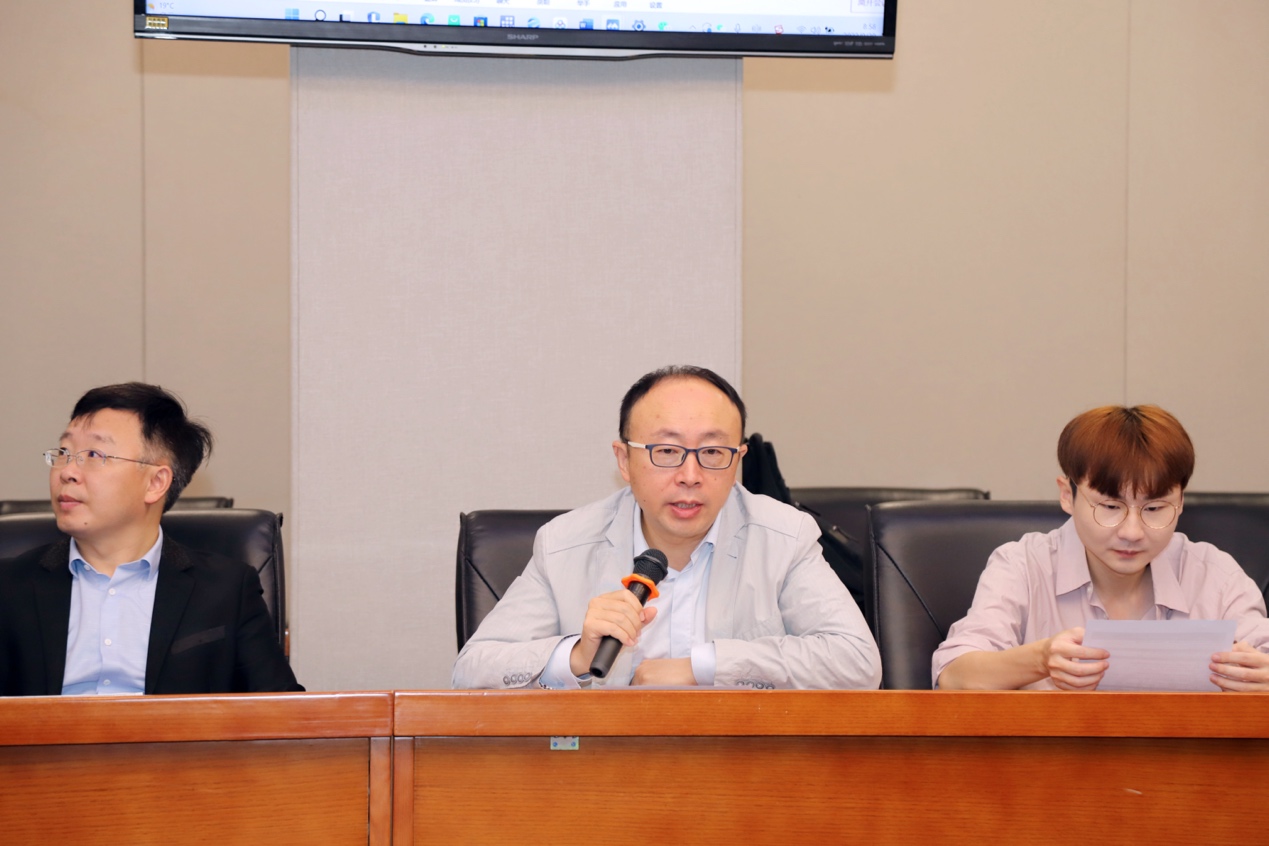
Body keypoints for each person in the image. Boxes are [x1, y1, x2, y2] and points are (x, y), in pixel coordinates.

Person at [452, 365, 881, 690]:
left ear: (738, 461)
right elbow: (472, 671)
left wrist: (702, 667)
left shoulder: (784, 537)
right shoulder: (565, 544)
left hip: (742, 765)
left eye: (713, 452)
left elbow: (858, 663)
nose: (690, 476)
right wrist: (577, 656)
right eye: (667, 451)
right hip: (609, 766)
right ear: (624, 460)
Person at [934, 405, 1269, 692]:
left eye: (1154, 508)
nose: (1132, 532)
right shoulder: (1022, 565)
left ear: (1180, 501)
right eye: (1110, 507)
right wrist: (1040, 659)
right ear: (1067, 495)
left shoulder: (1215, 575)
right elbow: (953, 676)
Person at [0, 383, 302, 696]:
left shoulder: (226, 590)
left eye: (93, 454)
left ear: (156, 482)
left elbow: (281, 711)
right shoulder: (8, 586)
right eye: (64, 452)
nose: (67, 472)